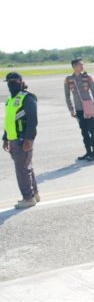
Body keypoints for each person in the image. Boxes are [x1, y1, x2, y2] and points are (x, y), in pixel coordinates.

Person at [3, 72, 39, 209]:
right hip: (13, 139)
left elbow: (32, 120)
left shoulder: (27, 98)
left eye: (13, 82)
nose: (11, 84)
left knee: (22, 170)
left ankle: (28, 198)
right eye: (9, 82)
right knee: (26, 167)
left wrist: (29, 139)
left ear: (20, 81)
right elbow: (10, 120)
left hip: (22, 139)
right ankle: (34, 194)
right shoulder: (11, 99)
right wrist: (5, 138)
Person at [64, 58, 94, 160]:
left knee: (92, 130)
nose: (82, 66)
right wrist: (71, 109)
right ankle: (88, 152)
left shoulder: (88, 77)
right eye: (80, 65)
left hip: (89, 107)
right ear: (74, 66)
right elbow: (67, 96)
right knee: (84, 131)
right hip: (79, 109)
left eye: (82, 64)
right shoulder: (68, 79)